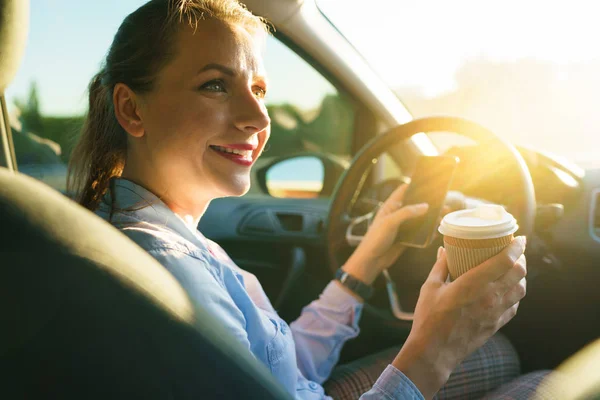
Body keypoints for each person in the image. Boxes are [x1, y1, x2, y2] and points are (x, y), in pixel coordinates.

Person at [67, 1, 550, 398]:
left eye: (258, 89)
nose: (258, 118)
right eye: (215, 85)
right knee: (543, 385)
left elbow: (281, 367)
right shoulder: (169, 267)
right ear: (132, 108)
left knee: (498, 353)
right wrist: (435, 348)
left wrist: (364, 263)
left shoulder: (156, 230)